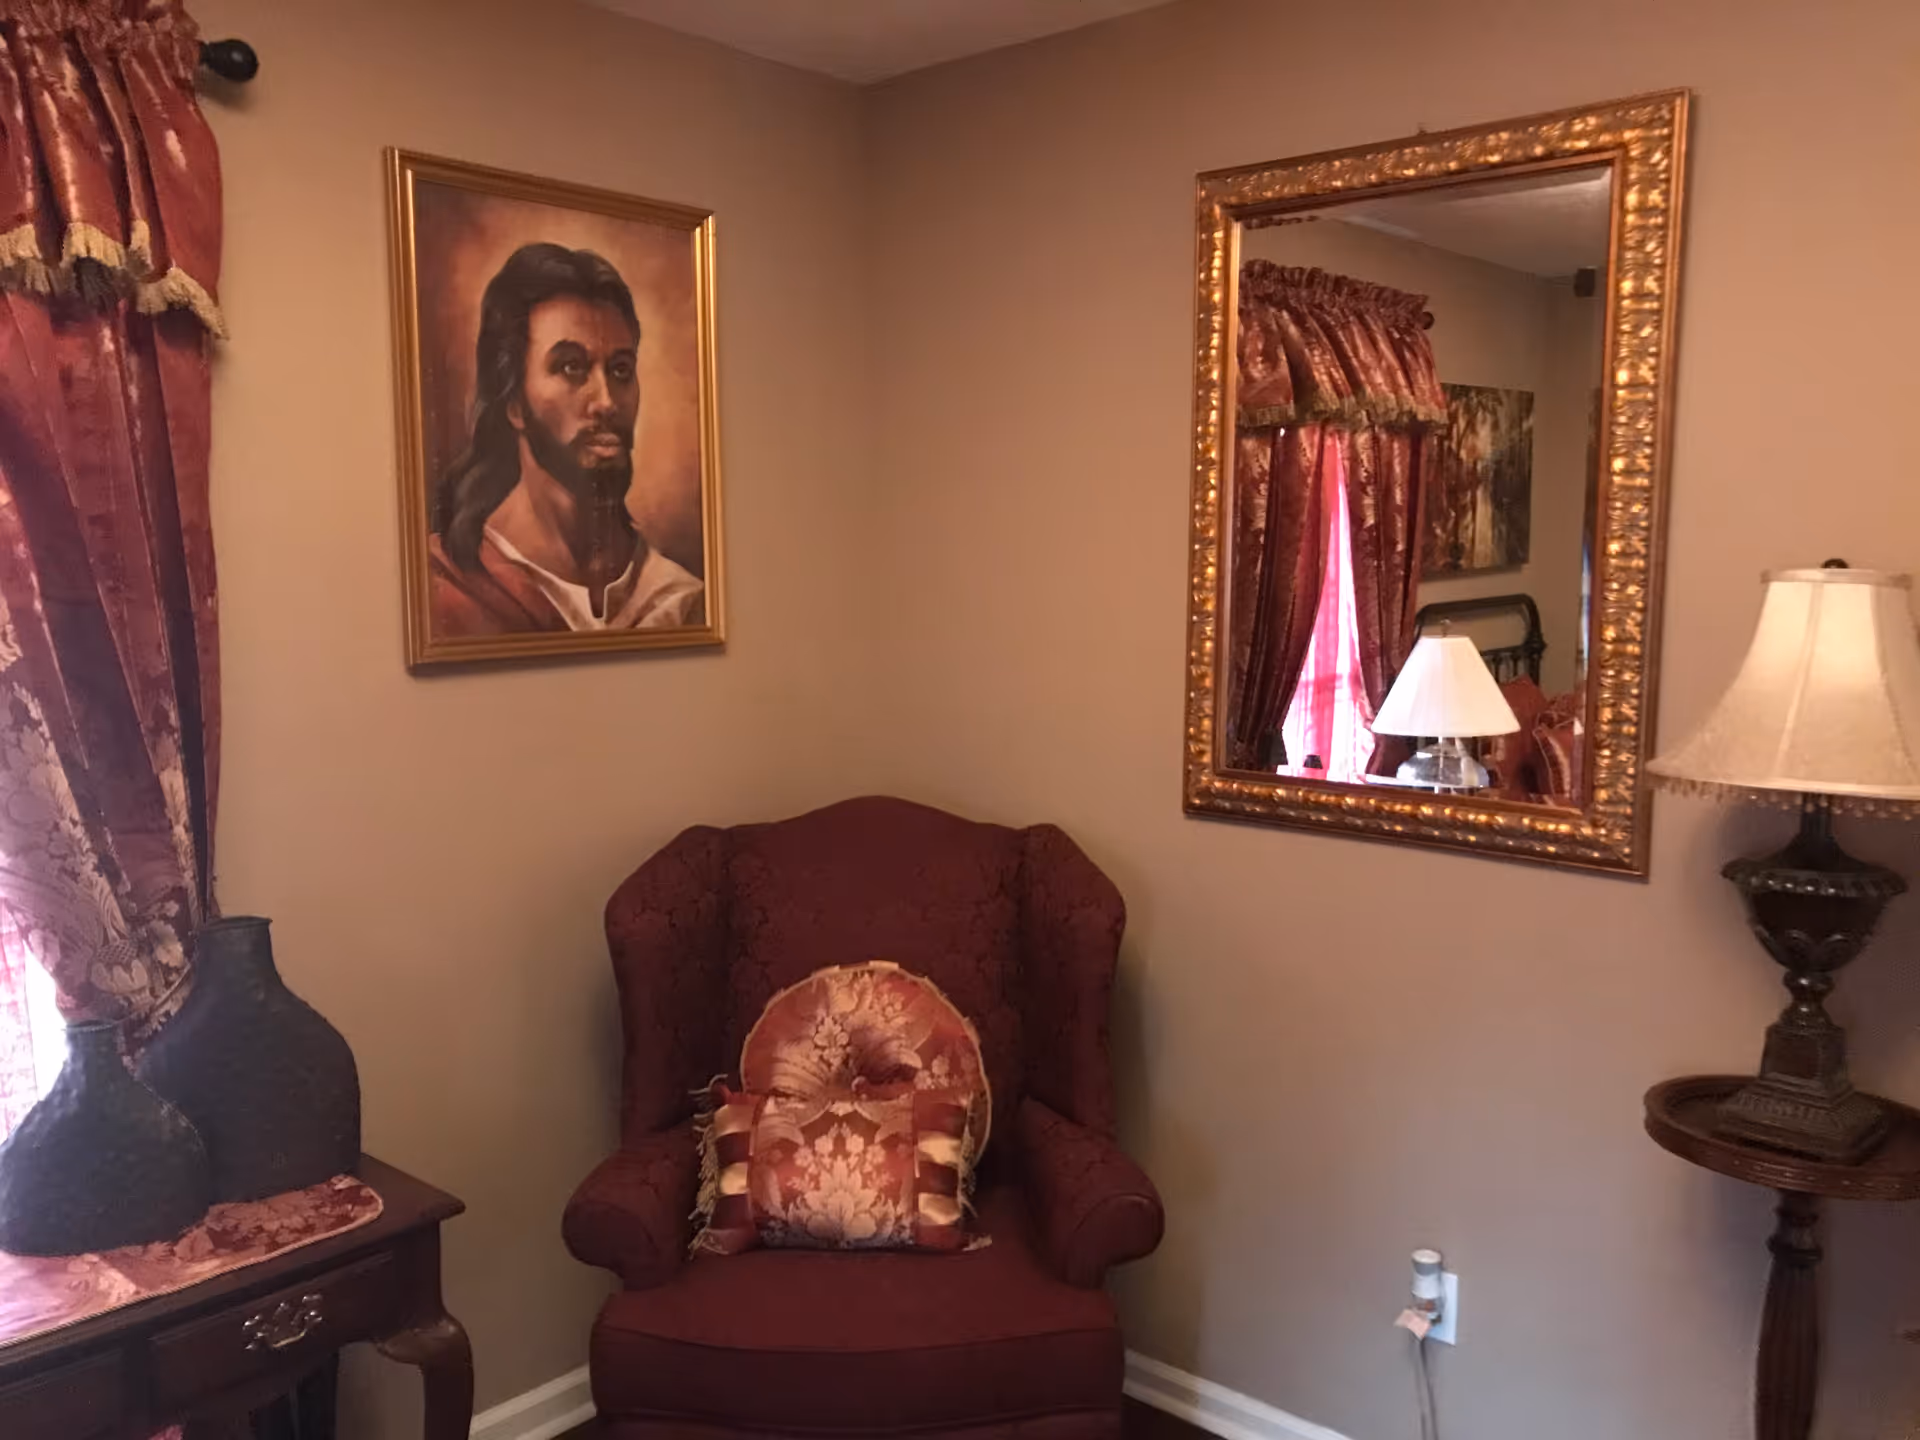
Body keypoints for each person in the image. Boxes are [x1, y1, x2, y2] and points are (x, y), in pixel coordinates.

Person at [427, 243, 703, 635]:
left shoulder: (681, 602)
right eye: (571, 367)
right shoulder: (447, 588)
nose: (607, 402)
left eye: (621, 370)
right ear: (514, 403)